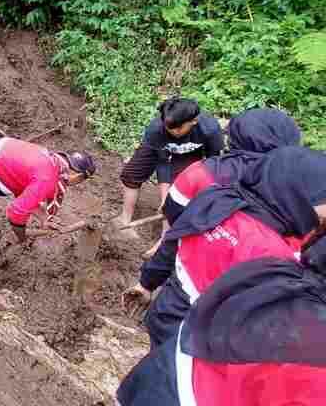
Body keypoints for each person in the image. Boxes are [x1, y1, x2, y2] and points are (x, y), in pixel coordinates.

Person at [138, 145, 326, 349]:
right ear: (298, 195)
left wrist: (146, 283)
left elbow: (171, 245)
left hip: (166, 314)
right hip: (200, 344)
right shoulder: (276, 252)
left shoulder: (217, 199)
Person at [123, 108, 303, 314]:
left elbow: (175, 221)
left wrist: (147, 281)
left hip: (187, 288)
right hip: (250, 305)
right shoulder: (302, 192)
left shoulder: (203, 172)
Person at [117, 229, 326, 406]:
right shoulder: (270, 250)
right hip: (181, 366)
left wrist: (147, 282)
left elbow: (177, 227)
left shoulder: (273, 267)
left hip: (167, 364)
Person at [0, 136, 97, 309]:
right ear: (77, 175)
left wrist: (44, 218)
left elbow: (22, 189)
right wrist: (21, 236)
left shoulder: (49, 159)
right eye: (81, 181)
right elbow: (15, 214)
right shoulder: (47, 178)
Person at [116, 97, 224, 234]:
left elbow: (213, 161)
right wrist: (164, 196)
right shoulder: (157, 129)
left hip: (190, 152)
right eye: (169, 128)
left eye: (178, 129)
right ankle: (125, 220)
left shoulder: (210, 129)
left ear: (194, 121)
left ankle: (164, 237)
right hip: (158, 146)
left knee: (177, 190)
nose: (173, 132)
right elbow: (163, 162)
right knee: (132, 175)